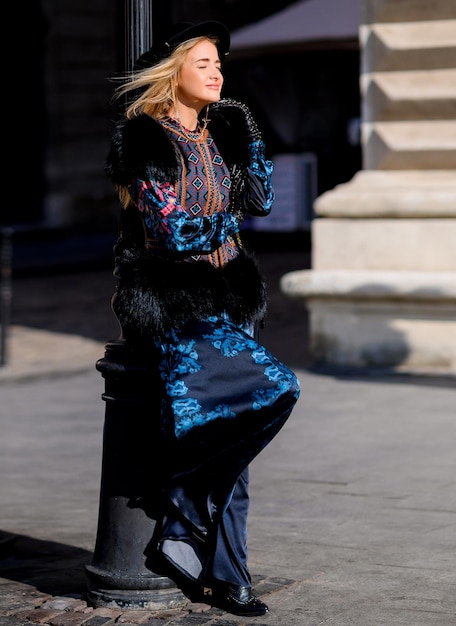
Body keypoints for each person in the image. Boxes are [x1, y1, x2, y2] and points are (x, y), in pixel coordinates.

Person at [105, 21, 300, 618]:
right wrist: (221, 230)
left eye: (221, 64)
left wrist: (249, 136)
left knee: (237, 437)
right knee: (275, 388)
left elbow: (261, 200)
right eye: (206, 63)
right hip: (177, 302)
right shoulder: (144, 137)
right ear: (175, 73)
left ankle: (225, 574)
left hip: (232, 301)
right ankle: (181, 513)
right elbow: (169, 230)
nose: (218, 72)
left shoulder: (221, 134)